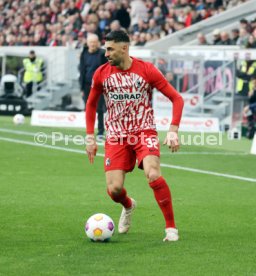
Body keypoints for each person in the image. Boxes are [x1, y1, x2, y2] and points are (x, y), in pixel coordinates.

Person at [85, 30, 184, 242]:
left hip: (143, 131)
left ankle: (171, 229)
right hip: (116, 136)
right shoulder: (101, 73)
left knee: (153, 173)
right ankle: (128, 205)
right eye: (106, 49)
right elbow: (91, 104)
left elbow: (176, 98)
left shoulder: (147, 70)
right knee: (114, 189)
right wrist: (90, 137)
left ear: (124, 48)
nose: (106, 54)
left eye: (110, 49)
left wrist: (173, 130)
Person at [79, 33, 107, 137]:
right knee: (89, 108)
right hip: (87, 85)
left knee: (99, 109)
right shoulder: (84, 54)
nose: (93, 44)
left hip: (99, 85)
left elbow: (107, 69)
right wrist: (81, 87)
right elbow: (82, 70)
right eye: (91, 42)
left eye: (95, 42)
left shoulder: (103, 54)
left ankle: (100, 132)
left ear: (98, 43)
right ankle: (89, 131)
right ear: (87, 43)